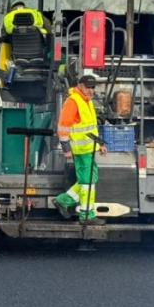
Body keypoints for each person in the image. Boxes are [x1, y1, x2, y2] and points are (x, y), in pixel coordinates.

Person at [52, 74, 107, 223]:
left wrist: (100, 143)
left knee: (90, 179)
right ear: (80, 86)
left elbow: (89, 128)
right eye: (88, 87)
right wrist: (66, 148)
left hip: (89, 149)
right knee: (86, 183)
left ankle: (63, 200)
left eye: (93, 88)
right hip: (81, 151)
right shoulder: (73, 101)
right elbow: (63, 127)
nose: (91, 90)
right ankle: (87, 216)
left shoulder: (86, 101)